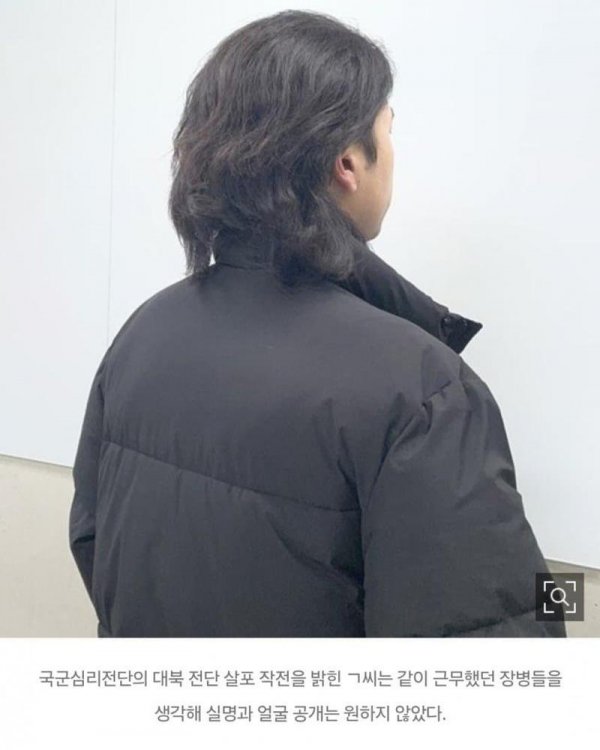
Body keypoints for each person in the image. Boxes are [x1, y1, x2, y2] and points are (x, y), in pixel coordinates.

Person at [69, 10, 565, 637]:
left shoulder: (145, 333)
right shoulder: (420, 389)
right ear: (347, 163)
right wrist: (564, 598)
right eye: (388, 131)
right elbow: (498, 634)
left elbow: (92, 542)